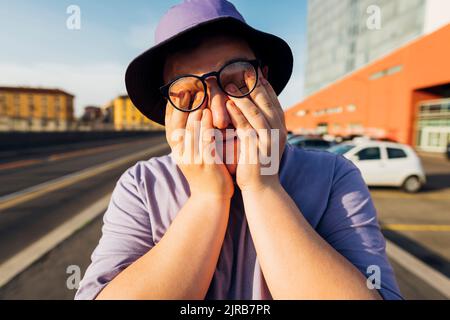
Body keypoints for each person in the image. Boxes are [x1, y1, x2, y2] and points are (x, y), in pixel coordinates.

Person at [75, 0, 402, 300]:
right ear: (169, 110)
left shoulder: (333, 176)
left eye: (237, 81)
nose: (219, 117)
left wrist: (262, 187)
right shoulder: (143, 184)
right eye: (188, 94)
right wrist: (207, 197)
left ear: (265, 82)